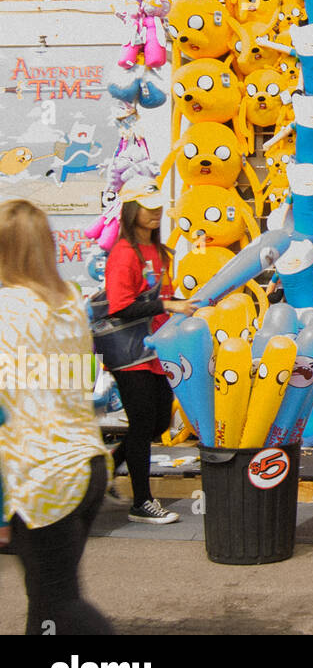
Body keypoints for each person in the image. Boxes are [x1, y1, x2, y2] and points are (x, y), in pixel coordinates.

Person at [0, 199, 114, 634]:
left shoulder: (7, 308)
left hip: (39, 474)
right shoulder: (68, 304)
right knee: (45, 600)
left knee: (58, 601)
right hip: (86, 462)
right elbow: (80, 378)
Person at [103, 180, 195, 523]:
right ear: (131, 210)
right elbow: (120, 306)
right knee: (143, 423)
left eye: (157, 205)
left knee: (157, 422)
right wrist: (167, 304)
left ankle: (104, 470)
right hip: (130, 354)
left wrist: (185, 305)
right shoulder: (124, 253)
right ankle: (141, 501)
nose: (155, 211)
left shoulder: (160, 251)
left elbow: (161, 298)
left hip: (156, 350)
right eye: (147, 205)